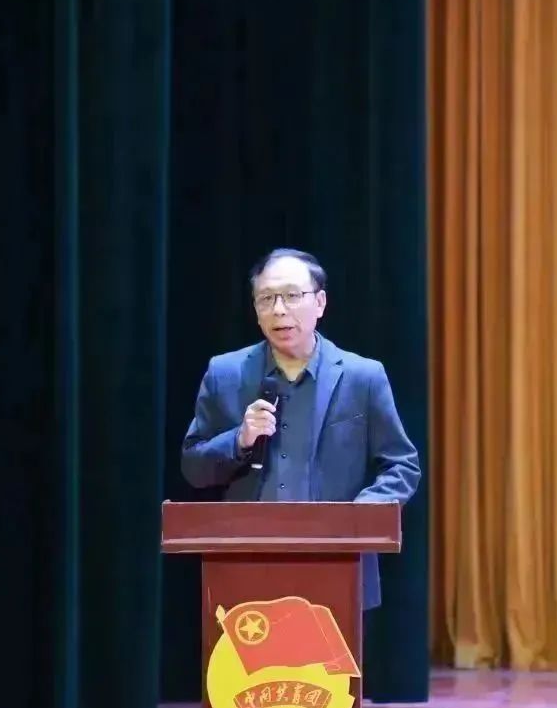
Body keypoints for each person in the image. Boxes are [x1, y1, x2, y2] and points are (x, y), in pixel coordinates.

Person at [180, 248, 421, 610]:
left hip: (338, 567)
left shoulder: (362, 377)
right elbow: (194, 467)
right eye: (266, 299)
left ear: (320, 303)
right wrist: (239, 439)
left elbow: (402, 465)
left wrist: (357, 517)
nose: (279, 310)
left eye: (292, 296)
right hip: (246, 571)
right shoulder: (225, 374)